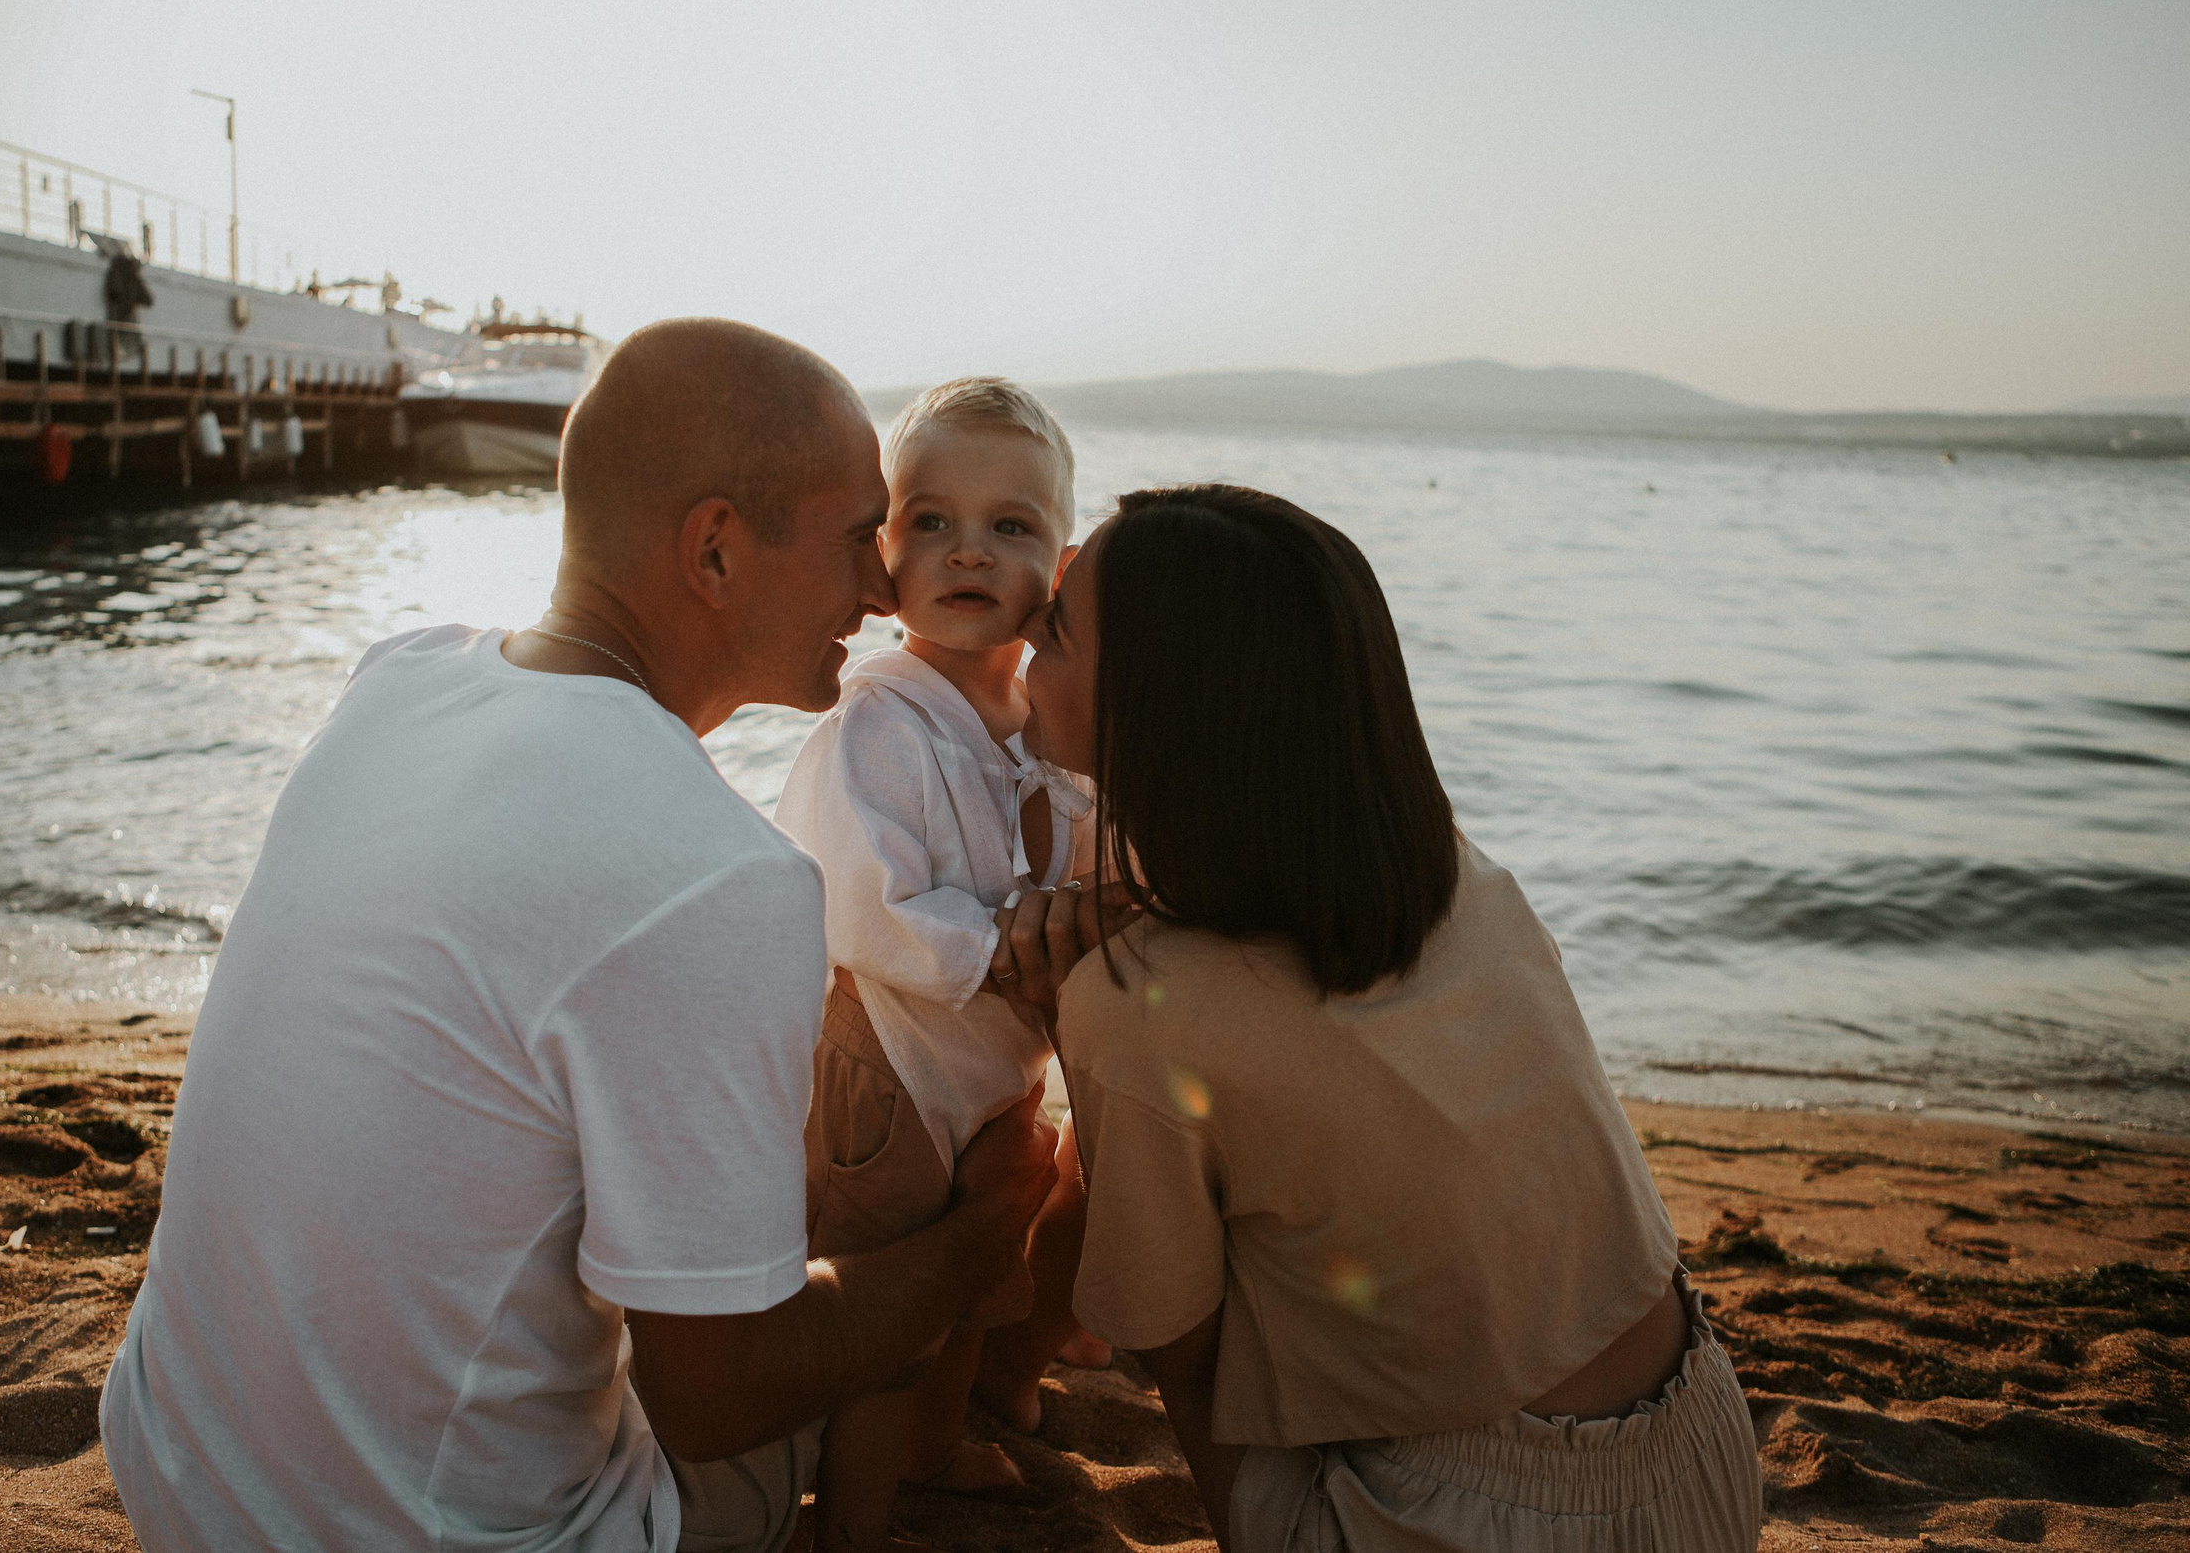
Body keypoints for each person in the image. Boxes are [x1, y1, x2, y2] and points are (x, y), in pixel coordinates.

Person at [98, 319, 1058, 1553]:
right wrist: (976, 1242)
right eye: (850, 538)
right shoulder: (721, 880)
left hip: (183, 1470)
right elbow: (719, 1399)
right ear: (715, 548)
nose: (884, 588)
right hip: (423, 1536)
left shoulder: (400, 679)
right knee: (815, 1350)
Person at [994, 483, 1766, 1552]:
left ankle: (981, 1383)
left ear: (1159, 709)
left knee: (1169, 1211)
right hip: (1700, 1459)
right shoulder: (1459, 881)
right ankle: (994, 1383)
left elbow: (1169, 1344)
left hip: (1460, 1521)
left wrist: (1082, 1030)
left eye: (1058, 629)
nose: (1028, 625)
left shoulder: (1136, 1005)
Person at [773, 378, 1092, 1550]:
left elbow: (1076, 853)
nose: (969, 551)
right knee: (889, 1313)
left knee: (974, 1277)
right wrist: (1012, 953)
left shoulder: (1038, 718)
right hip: (887, 1065)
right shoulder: (878, 720)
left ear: (1057, 563)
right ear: (880, 552)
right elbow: (861, 904)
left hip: (987, 1066)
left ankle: (940, 1443)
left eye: (1011, 526)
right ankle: (851, 1519)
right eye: (931, 523)